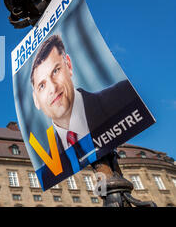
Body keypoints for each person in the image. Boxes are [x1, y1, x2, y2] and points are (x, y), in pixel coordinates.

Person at [30, 34, 136, 185]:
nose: (53, 88)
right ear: (36, 100)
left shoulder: (124, 95)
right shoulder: (49, 170)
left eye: (56, 71)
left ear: (69, 66)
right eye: (42, 85)